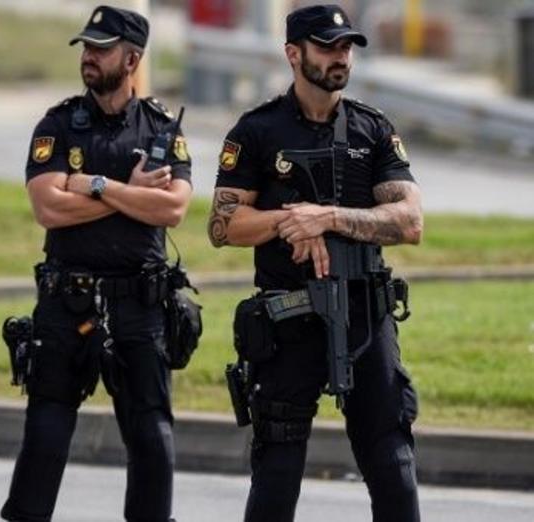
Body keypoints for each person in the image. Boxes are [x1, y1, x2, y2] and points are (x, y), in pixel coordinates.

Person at [209, 4, 423, 522]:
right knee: (277, 470)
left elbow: (410, 221)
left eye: (346, 46)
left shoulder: (373, 130)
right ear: (293, 53)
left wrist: (327, 218)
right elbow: (223, 226)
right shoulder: (256, 131)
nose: (340, 56)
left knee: (392, 461)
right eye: (328, 46)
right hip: (288, 319)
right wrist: (290, 220)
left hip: (364, 317)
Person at [0, 5, 192, 522]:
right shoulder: (59, 124)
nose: (88, 56)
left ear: (131, 59)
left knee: (152, 438)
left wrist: (93, 184)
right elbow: (48, 207)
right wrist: (129, 193)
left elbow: (172, 208)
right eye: (86, 47)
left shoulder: (159, 130)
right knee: (45, 435)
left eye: (100, 49)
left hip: (139, 306)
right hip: (68, 304)